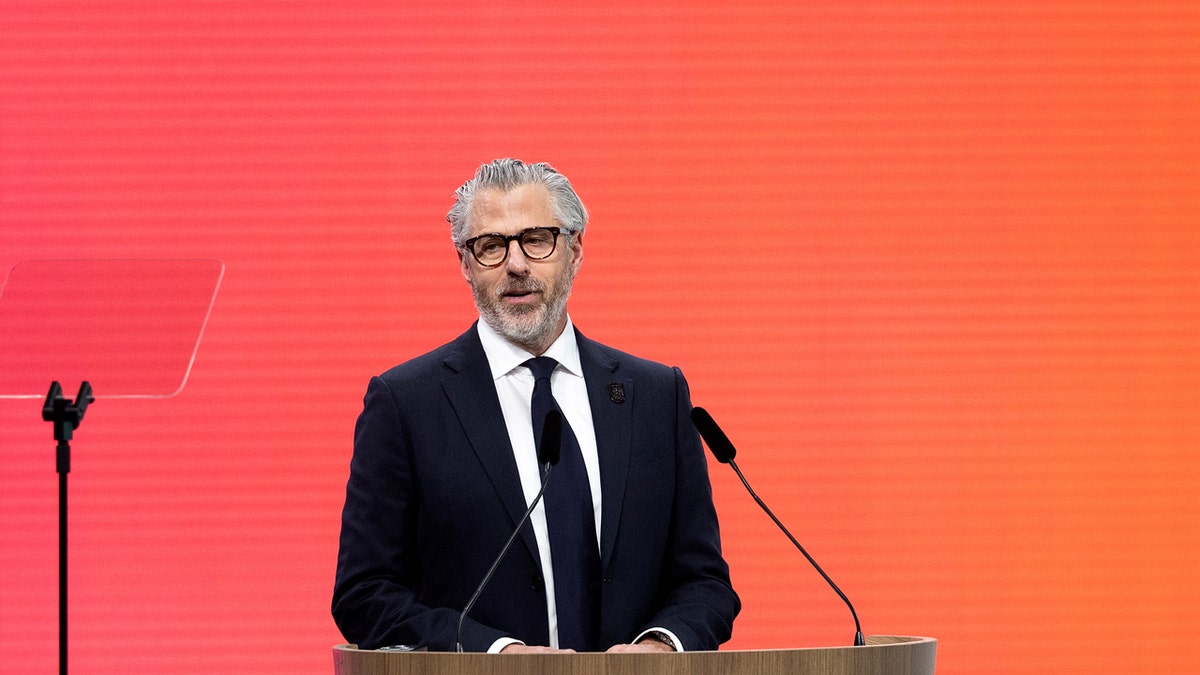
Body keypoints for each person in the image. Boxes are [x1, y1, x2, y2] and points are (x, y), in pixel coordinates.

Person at [332, 158, 739, 653]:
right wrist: (497, 654)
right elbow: (365, 595)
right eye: (491, 246)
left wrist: (661, 646)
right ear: (464, 263)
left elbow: (705, 583)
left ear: (575, 249)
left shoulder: (655, 395)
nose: (516, 264)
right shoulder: (405, 404)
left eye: (537, 239)